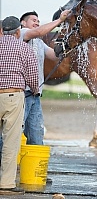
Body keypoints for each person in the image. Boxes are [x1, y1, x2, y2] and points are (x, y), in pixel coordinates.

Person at [0, 16, 39, 194]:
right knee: (11, 140)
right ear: (17, 32)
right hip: (13, 96)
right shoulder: (24, 48)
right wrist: (36, 89)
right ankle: (6, 184)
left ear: (1, 31)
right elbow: (32, 74)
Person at [19, 10, 70, 145]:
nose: (37, 22)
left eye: (38, 21)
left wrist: (67, 46)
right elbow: (40, 32)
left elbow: (53, 56)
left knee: (37, 133)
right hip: (22, 94)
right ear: (23, 23)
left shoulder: (39, 42)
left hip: (35, 94)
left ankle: (31, 164)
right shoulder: (22, 33)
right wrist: (60, 20)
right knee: (15, 133)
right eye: (33, 20)